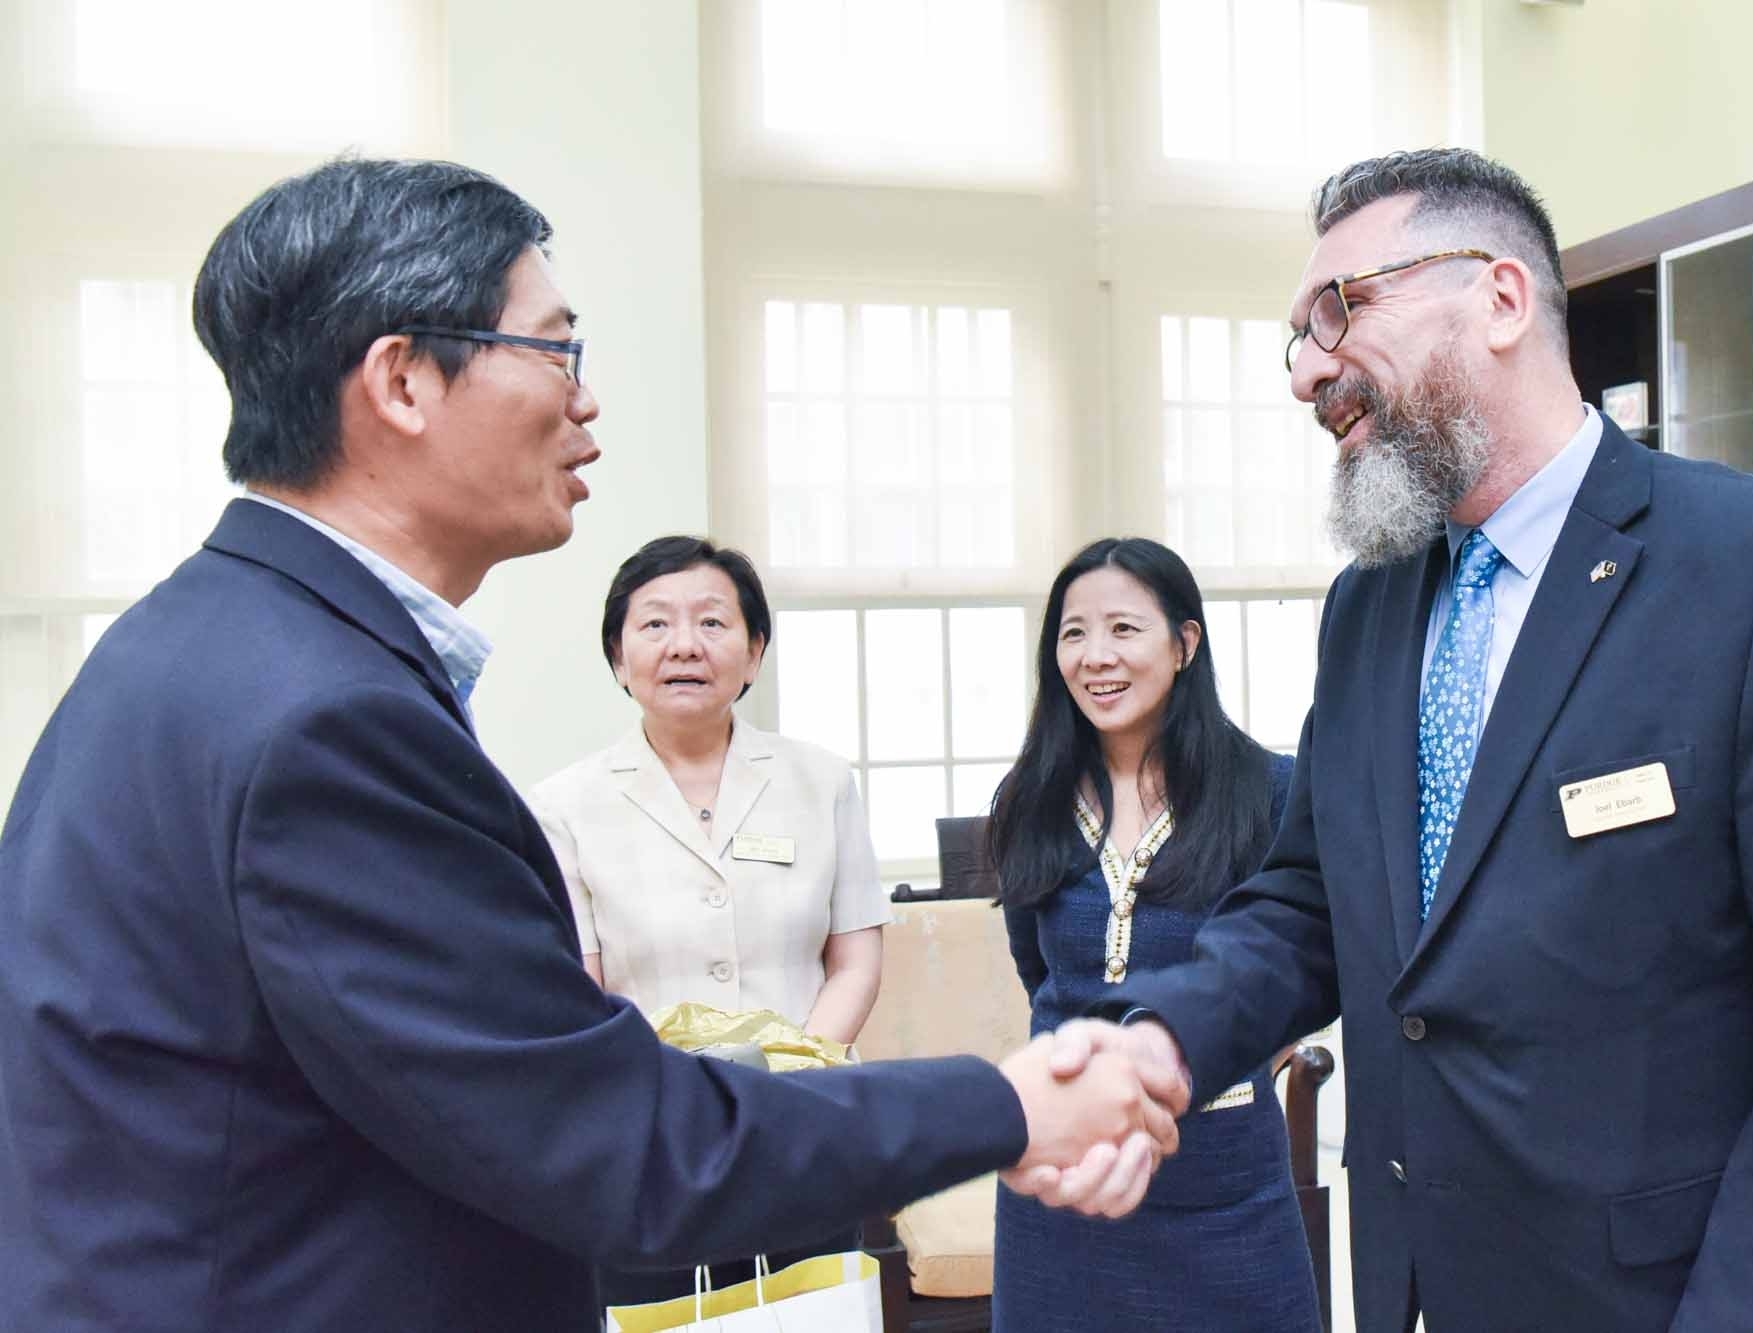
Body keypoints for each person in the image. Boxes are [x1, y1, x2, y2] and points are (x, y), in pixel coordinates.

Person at [0, 157, 1183, 1333]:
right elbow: (622, 1146)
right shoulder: (328, 721)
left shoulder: (191, 646)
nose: (587, 401)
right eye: (555, 349)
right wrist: (1005, 1105)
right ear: (403, 380)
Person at [1019, 147, 1753, 1333]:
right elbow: (1312, 897)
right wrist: (1161, 1037)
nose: (1307, 371)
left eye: (1337, 310)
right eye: (1295, 338)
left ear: (1500, 298)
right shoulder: (1369, 605)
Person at [531, 535, 887, 1301]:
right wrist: (673, 1097)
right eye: (655, 624)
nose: (685, 645)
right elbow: (581, 986)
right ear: (619, 657)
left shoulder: (821, 780)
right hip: (647, 1138)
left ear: (755, 652)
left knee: (810, 1309)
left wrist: (788, 1079)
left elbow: (855, 958)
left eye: (713, 623)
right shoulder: (564, 804)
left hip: (804, 1124)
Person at [987, 537, 1320, 1332]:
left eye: (1123, 629)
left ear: (1185, 642)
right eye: (1073, 633)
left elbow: (1297, 961)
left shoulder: (1268, 790)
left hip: (1223, 1180)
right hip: (1061, 1178)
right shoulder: (1029, 795)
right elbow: (1040, 973)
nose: (1095, 656)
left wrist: (1208, 1071)